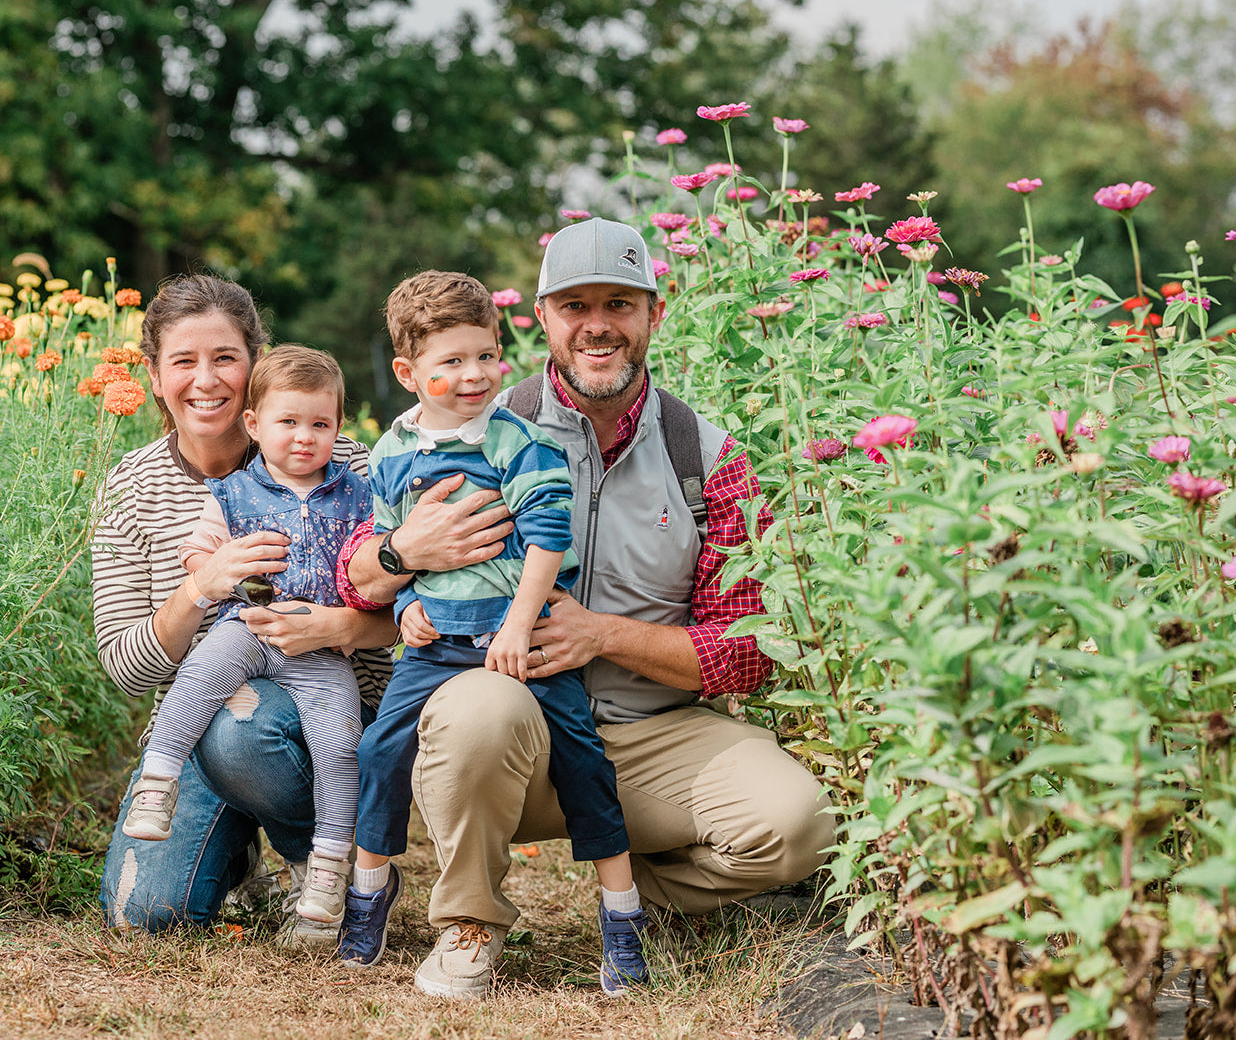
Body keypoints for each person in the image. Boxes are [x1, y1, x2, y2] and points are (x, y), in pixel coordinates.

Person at [336, 218, 837, 998]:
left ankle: (641, 891)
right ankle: (470, 921)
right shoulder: (474, 425)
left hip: (651, 735)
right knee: (473, 713)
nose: (597, 324)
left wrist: (600, 633)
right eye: (575, 305)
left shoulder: (705, 454)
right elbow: (356, 574)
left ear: (653, 315)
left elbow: (747, 647)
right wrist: (406, 561)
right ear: (544, 318)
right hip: (513, 725)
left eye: (619, 303)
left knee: (798, 822)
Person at [337, 271, 649, 996]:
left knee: (585, 766)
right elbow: (394, 539)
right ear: (408, 373)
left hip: (527, 637)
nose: (473, 374)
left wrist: (518, 622)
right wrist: (409, 596)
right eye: (450, 362)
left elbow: (546, 535)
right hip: (437, 641)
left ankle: (621, 913)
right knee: (380, 750)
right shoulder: (391, 453)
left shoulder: (517, 440)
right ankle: (368, 889)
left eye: (485, 354)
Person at [93, 275, 396, 947]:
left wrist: (341, 625)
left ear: (255, 362)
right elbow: (125, 667)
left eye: (226, 357)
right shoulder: (132, 484)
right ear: (153, 375)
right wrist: (203, 583)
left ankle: (321, 861)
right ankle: (234, 847)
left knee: (246, 727)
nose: (206, 379)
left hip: (322, 709)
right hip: (196, 727)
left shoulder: (336, 456)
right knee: (146, 915)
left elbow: (407, 612)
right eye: (184, 361)